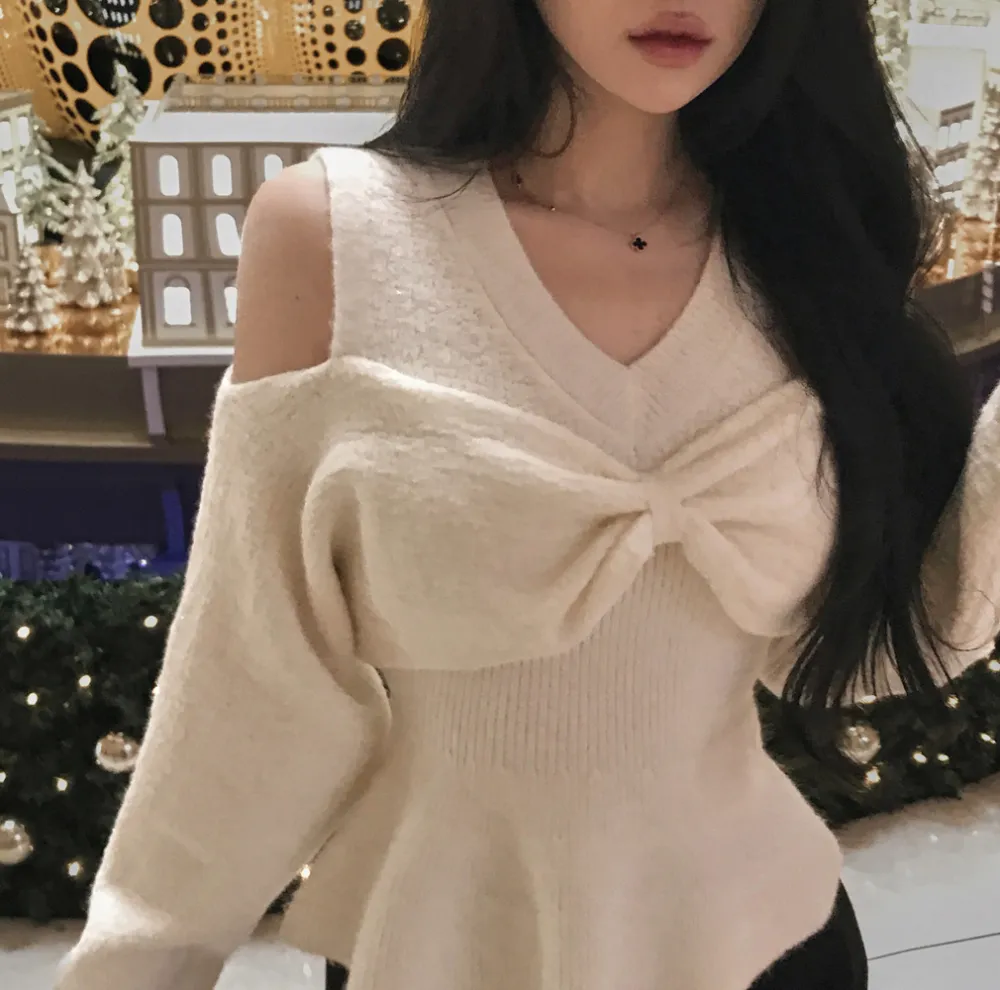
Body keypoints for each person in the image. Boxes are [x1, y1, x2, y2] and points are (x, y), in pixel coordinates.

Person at [55, 1, 1000, 988]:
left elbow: (853, 647)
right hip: (444, 950)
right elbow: (251, 686)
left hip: (769, 945)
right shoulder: (338, 238)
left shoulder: (798, 247)